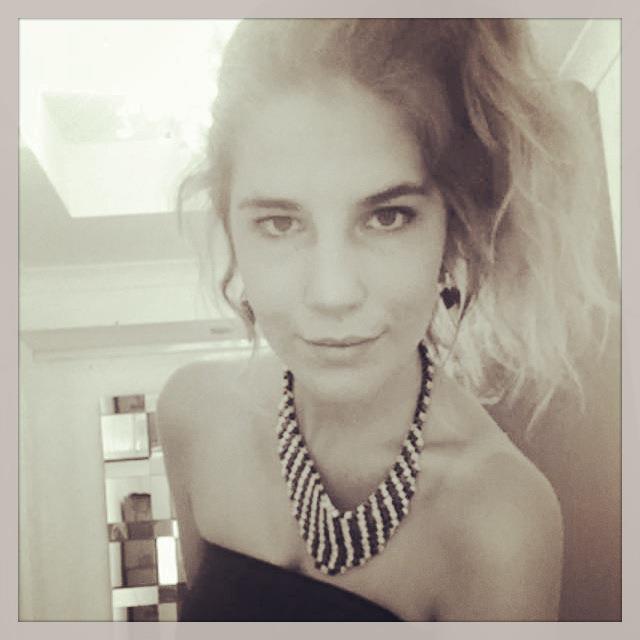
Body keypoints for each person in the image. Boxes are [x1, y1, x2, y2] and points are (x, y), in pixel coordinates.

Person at [157, 19, 612, 621]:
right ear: (232, 230)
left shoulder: (499, 518)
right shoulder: (193, 414)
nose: (333, 293)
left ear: (452, 230)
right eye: (280, 223)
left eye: (388, 216)